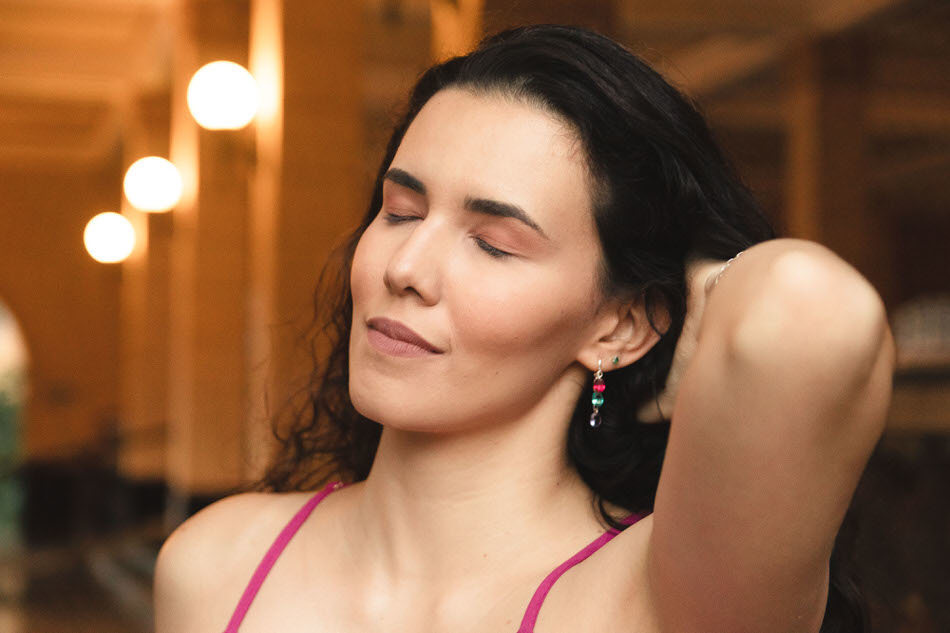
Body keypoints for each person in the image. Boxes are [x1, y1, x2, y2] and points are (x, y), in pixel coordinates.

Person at [153, 25, 894, 633]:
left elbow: (810, 310)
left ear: (620, 326)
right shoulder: (215, 564)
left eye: (493, 244)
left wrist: (713, 290)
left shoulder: (648, 600)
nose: (404, 267)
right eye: (401, 212)